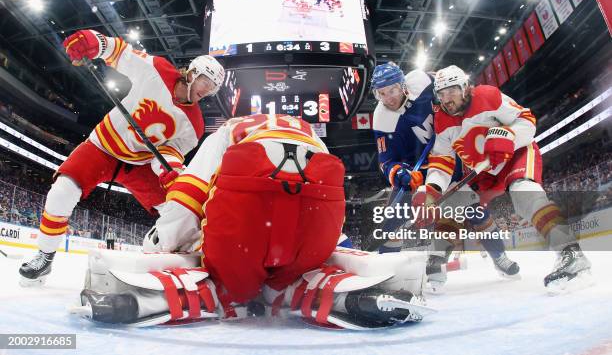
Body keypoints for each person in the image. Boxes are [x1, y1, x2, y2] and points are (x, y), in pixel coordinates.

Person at [75, 114, 431, 329]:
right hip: (318, 212)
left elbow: (188, 197)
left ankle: (157, 299)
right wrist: (337, 251)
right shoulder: (310, 133)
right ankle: (343, 297)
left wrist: (162, 245)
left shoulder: (227, 131)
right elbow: (328, 203)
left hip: (247, 209)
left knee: (232, 283)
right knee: (295, 274)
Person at [19, 29, 225, 286]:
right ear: (193, 73)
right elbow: (120, 52)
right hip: (102, 147)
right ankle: (45, 255)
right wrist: (93, 41)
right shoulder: (157, 69)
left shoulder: (194, 125)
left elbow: (169, 153)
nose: (209, 91)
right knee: (61, 192)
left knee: (179, 208)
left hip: (139, 164)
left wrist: (171, 172)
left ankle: (184, 260)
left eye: (214, 88)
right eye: (207, 82)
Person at [414, 65, 591, 291]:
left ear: (465, 87)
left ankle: (571, 254)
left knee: (525, 194)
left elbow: (527, 120)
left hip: (516, 154)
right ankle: (435, 263)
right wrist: (432, 190)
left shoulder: (488, 95)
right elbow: (442, 159)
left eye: (452, 91)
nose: (447, 99)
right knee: (451, 206)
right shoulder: (442, 119)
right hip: (482, 170)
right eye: (442, 94)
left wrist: (509, 136)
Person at [369, 62, 519, 289]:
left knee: (475, 211)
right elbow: (386, 160)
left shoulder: (420, 80)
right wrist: (398, 173)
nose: (388, 97)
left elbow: (451, 90)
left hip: (450, 159)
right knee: (393, 219)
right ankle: (383, 275)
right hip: (417, 174)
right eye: (382, 93)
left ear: (403, 85)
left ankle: (499, 257)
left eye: (393, 90)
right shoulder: (381, 118)